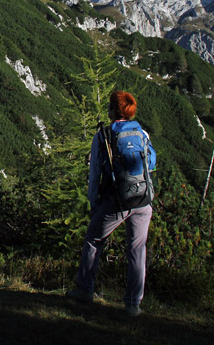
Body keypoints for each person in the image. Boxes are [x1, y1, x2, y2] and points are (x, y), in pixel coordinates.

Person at [65, 90, 156, 317]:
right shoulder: (141, 132)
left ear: (113, 111)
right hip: (143, 200)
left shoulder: (104, 136)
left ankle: (85, 290)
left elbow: (95, 173)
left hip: (116, 201)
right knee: (137, 250)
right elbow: (151, 163)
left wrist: (94, 202)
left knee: (94, 240)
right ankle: (133, 304)